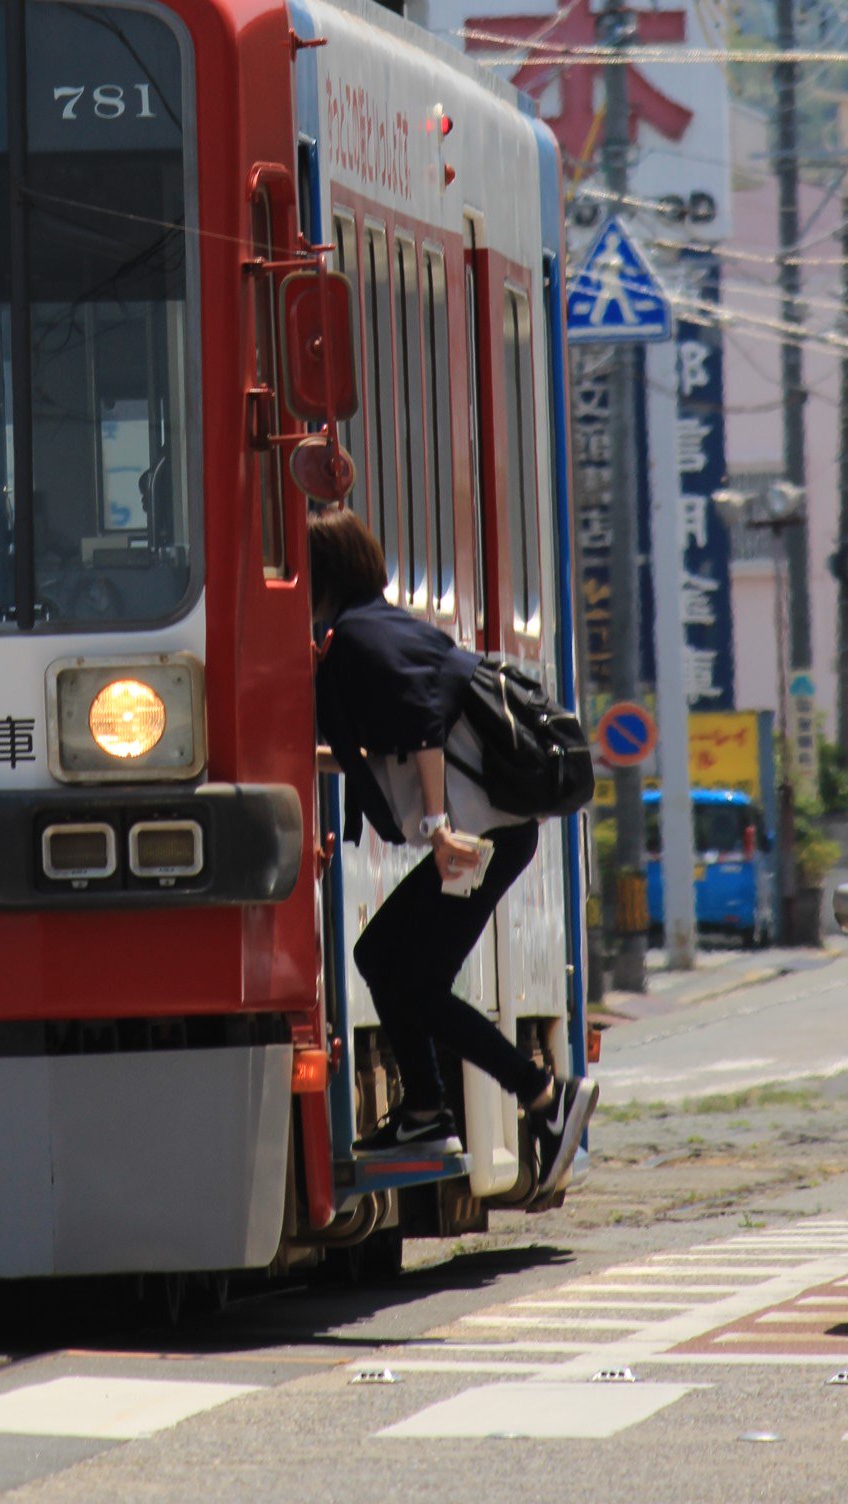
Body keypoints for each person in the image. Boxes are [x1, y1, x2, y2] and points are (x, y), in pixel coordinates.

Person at [311, 507, 597, 1196]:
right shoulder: (375, 627)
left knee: (400, 972)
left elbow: (420, 718)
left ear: (321, 573)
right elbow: (388, 745)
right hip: (493, 833)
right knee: (387, 961)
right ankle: (426, 1109)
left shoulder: (357, 635)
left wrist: (438, 826)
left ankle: (537, 1095)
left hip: (479, 838)